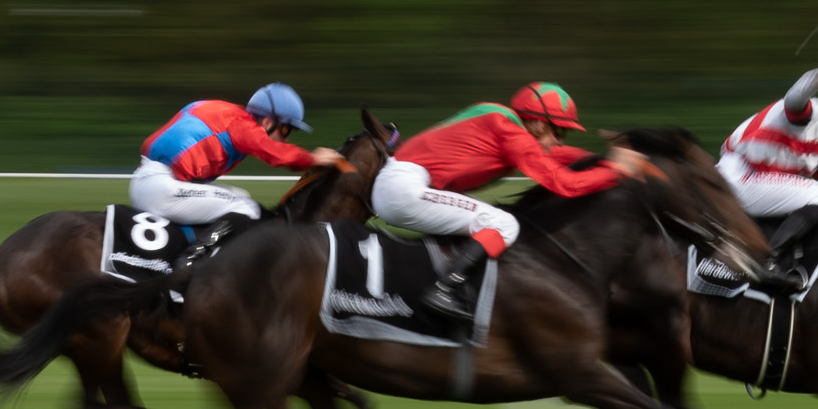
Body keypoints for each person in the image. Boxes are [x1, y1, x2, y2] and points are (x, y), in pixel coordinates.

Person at [378, 83, 641, 321]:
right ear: (539, 125)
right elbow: (565, 184)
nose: (560, 140)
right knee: (504, 224)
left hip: (401, 185)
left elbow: (554, 154)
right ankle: (444, 289)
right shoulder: (508, 130)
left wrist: (606, 161)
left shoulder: (500, 120)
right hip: (405, 188)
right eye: (559, 132)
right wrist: (618, 171)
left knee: (486, 219)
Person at [718, 41, 818, 292]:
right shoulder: (813, 116)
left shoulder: (816, 143)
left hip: (741, 178)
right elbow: (794, 101)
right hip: (739, 180)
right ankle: (768, 262)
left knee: (817, 189)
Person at [132, 83, 345, 230]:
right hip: (162, 189)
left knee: (239, 195)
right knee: (247, 207)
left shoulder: (219, 109)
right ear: (268, 122)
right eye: (286, 129)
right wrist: (313, 158)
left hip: (150, 180)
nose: (287, 139)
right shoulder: (242, 125)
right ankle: (190, 264)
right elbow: (276, 154)